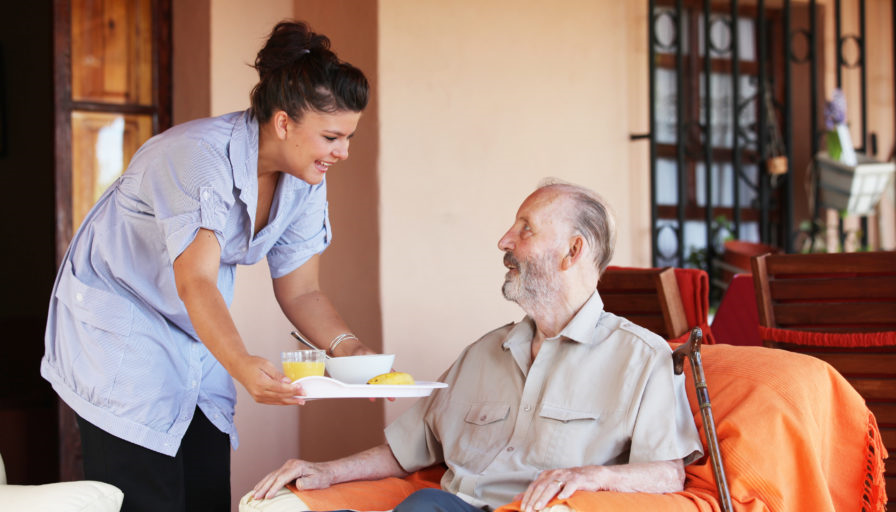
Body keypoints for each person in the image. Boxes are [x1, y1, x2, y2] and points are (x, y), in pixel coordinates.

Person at [41, 20, 377, 512]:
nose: (343, 152)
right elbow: (194, 280)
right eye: (332, 136)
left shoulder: (306, 176)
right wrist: (242, 365)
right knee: (145, 497)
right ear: (284, 123)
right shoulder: (197, 158)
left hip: (193, 327)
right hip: (122, 329)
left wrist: (349, 351)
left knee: (205, 490)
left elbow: (302, 290)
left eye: (348, 137)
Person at [251, 181, 703, 512]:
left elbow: (668, 472)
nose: (504, 242)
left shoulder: (642, 358)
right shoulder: (483, 353)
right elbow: (407, 448)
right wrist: (327, 472)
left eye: (525, 230)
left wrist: (591, 478)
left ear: (573, 251)